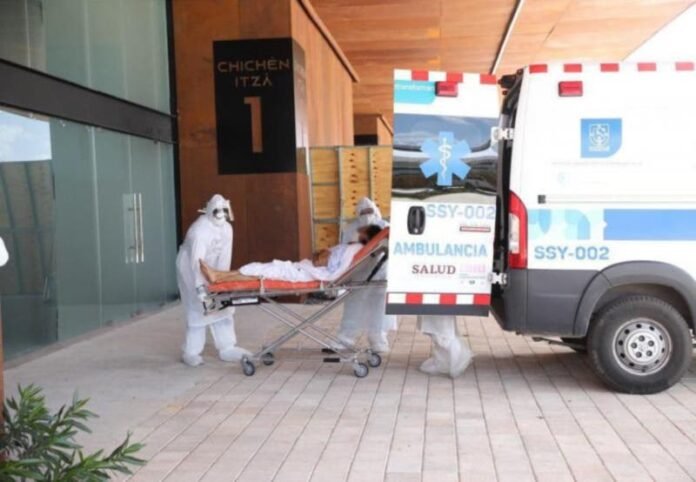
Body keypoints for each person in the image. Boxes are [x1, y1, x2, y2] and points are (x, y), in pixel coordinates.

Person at [176, 194, 250, 367]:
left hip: (212, 266)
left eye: (224, 210)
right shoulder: (199, 231)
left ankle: (227, 346)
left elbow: (225, 257)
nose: (221, 214)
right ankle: (191, 351)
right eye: (218, 210)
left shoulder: (227, 229)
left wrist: (221, 282)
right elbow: (196, 262)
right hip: (190, 268)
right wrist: (201, 287)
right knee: (198, 307)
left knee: (222, 303)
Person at [201, 225, 383, 284]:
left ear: (365, 236)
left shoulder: (353, 249)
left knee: (263, 270)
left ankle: (219, 276)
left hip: (307, 274)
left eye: (361, 230)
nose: (357, 230)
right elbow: (327, 259)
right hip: (304, 270)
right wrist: (323, 254)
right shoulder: (353, 248)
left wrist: (322, 255)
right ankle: (219, 276)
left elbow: (327, 266)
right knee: (264, 270)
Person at [334, 197, 396, 354]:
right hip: (359, 273)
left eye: (370, 211)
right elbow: (345, 252)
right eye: (363, 212)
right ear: (357, 213)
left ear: (376, 211)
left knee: (379, 308)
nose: (367, 215)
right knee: (353, 306)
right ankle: (345, 339)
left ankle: (378, 340)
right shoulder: (351, 229)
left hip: (381, 272)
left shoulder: (385, 227)